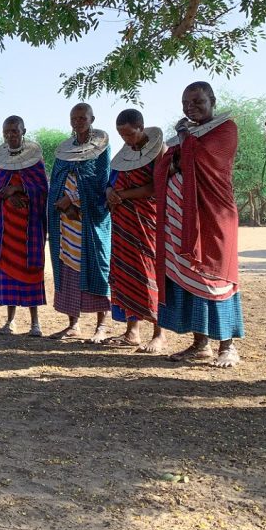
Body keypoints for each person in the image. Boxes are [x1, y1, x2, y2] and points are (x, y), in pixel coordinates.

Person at [156, 83, 244, 368]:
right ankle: (200, 343)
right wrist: (177, 155)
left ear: (212, 100)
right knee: (190, 277)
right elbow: (164, 164)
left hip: (213, 217)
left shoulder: (225, 129)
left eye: (197, 101)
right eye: (185, 102)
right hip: (182, 221)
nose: (190, 107)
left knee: (216, 276)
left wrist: (183, 147)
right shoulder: (187, 136)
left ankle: (228, 346)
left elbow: (207, 159)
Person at [47, 104, 112, 342]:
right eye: (74, 118)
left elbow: (100, 181)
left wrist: (75, 199)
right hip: (67, 223)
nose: (78, 122)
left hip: (90, 221)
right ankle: (73, 324)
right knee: (68, 267)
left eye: (82, 117)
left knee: (97, 265)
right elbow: (56, 180)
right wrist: (61, 202)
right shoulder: (64, 151)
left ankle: (102, 325)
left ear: (92, 118)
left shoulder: (101, 147)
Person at [106, 109, 167, 352]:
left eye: (130, 134)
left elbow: (156, 186)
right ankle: (132, 331)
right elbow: (111, 182)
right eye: (121, 135)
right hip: (123, 222)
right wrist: (110, 192)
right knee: (125, 271)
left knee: (148, 271)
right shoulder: (123, 155)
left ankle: (159, 333)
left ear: (141, 127)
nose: (126, 140)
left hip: (146, 222)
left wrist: (123, 195)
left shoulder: (158, 151)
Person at [0, 116, 47, 337]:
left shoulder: (35, 161)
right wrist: (6, 195)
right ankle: (10, 321)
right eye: (6, 132)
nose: (11, 135)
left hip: (28, 229)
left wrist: (17, 190)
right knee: (7, 273)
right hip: (5, 229)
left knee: (31, 271)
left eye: (14, 131)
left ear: (24, 130)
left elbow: (42, 189)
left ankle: (35, 323)